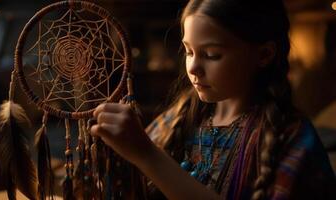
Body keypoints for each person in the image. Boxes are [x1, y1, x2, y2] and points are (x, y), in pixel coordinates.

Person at [90, 0, 336, 199]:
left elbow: (148, 156)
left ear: (264, 54)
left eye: (211, 54)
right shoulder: (179, 117)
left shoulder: (291, 138)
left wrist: (147, 155)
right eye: (188, 51)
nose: (193, 67)